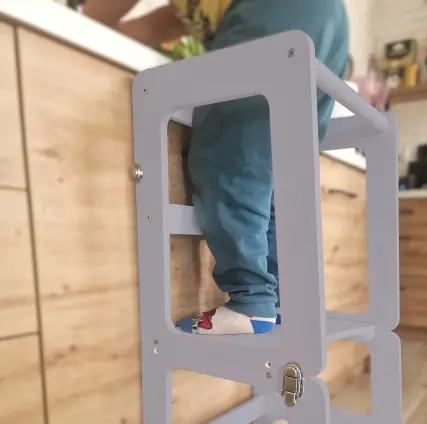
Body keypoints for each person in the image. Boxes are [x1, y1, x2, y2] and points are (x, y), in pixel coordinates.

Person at [84, 0, 349, 336]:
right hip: (327, 25)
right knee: (274, 174)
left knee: (228, 154)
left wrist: (81, 22)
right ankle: (279, 304)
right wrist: (108, 33)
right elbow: (168, 21)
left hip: (275, 12)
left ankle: (252, 300)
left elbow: (106, 17)